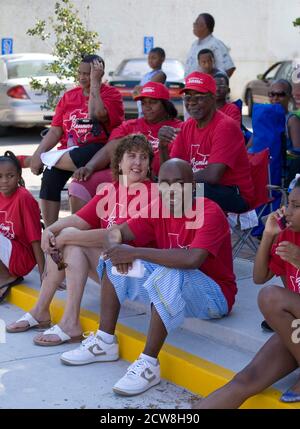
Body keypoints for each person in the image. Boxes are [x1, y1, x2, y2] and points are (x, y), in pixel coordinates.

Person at [60, 159, 237, 397]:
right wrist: (117, 249)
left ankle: (149, 364)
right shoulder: (158, 207)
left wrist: (134, 251)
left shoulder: (209, 210)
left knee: (171, 271)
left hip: (213, 297)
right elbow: (116, 232)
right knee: (111, 260)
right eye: (165, 183)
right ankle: (104, 341)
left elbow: (191, 259)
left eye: (179, 183)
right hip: (175, 285)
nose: (172, 190)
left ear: (193, 186)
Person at [6, 135, 153, 345]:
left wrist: (66, 237)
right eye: (132, 156)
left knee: (73, 242)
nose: (138, 162)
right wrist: (50, 231)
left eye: (144, 157)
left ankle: (68, 321)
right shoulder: (112, 189)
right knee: (67, 236)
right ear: (119, 161)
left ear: (149, 165)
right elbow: (79, 218)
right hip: (112, 268)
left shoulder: (151, 195)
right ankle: (41, 311)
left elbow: (115, 235)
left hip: (135, 271)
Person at [194, 179, 300, 408]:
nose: (288, 212)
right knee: (246, 379)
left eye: (297, 206)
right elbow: (259, 277)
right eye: (289, 204)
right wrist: (269, 236)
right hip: (297, 330)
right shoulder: (288, 235)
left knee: (271, 296)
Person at [30, 54, 124, 227]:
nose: (82, 77)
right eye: (80, 73)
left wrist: (95, 86)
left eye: (87, 74)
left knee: (80, 154)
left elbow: (98, 115)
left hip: (99, 149)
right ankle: (51, 231)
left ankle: (48, 161)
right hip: (70, 151)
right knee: (49, 178)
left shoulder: (112, 94)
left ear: (99, 73)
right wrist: (38, 153)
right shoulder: (69, 97)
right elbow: (56, 130)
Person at [69, 82, 182, 212]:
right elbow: (109, 151)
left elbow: (174, 168)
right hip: (124, 176)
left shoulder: (178, 128)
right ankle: (80, 228)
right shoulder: (130, 126)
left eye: (153, 102)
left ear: (165, 105)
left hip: (155, 180)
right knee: (79, 184)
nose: (147, 107)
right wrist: (89, 167)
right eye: (144, 103)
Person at [159, 72, 254, 214]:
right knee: (152, 191)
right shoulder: (187, 126)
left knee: (185, 194)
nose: (191, 102)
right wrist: (162, 146)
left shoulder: (225, 126)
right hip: (199, 187)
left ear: (213, 98)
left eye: (199, 97)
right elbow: (171, 168)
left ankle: (186, 235)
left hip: (233, 192)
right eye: (188, 97)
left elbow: (213, 176)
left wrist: (176, 182)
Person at [0, 151, 44, 303]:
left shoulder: (23, 198)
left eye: (10, 176)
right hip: (6, 254)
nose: (4, 181)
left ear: (18, 176)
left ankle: (7, 277)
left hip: (21, 258)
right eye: (0, 177)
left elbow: (35, 238)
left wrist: (43, 273)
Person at [268, 79, 300, 184]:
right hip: (266, 173)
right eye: (272, 94)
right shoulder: (265, 119)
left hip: (284, 176)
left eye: (281, 94)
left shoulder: (291, 120)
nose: (275, 98)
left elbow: (297, 155)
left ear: (289, 97)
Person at [184, 13, 236, 78]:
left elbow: (229, 68)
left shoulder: (215, 44)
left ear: (204, 26)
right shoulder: (194, 44)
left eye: (196, 23)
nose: (194, 25)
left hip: (205, 86)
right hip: (191, 85)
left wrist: (215, 85)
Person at [132, 47, 167, 118]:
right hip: (142, 109)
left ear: (162, 59)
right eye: (149, 58)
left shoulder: (160, 74)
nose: (150, 60)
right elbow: (136, 93)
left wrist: (140, 90)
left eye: (154, 58)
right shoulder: (147, 75)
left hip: (152, 111)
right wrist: (139, 91)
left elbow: (147, 90)